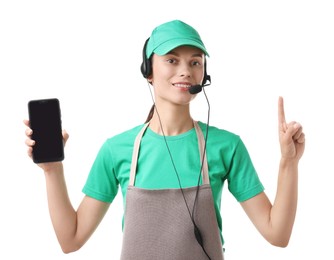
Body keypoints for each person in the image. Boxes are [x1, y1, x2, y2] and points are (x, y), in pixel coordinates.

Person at [24, 20, 305, 260]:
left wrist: (288, 163)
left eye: (195, 62)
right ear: (148, 71)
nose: (186, 70)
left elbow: (277, 234)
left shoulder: (226, 146)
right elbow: (70, 239)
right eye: (172, 60)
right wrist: (52, 170)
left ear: (203, 75)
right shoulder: (116, 150)